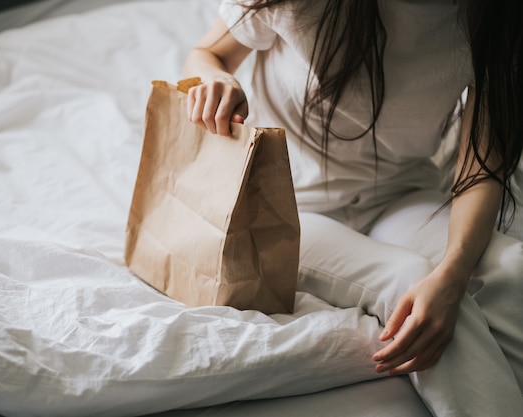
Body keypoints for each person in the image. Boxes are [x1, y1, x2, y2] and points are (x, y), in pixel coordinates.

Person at [183, 0, 523, 416]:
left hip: (398, 194)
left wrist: (454, 273)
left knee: (511, 268)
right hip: (287, 204)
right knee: (411, 282)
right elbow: (208, 53)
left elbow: (481, 169)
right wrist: (218, 80)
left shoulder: (491, 17)